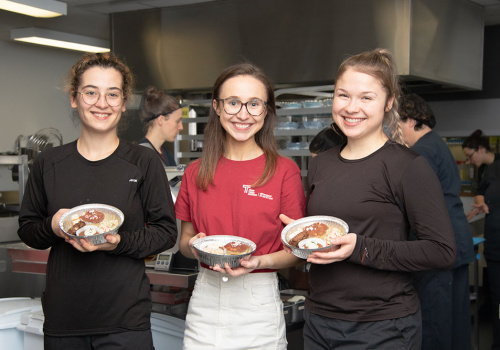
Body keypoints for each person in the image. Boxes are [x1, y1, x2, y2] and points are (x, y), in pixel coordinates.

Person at [281, 49, 456, 350]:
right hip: (319, 319)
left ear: (388, 103)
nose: (351, 108)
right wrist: (301, 237)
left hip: (382, 327)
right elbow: (325, 236)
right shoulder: (321, 163)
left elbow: (442, 251)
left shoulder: (408, 166)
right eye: (343, 95)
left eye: (366, 97)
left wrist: (360, 248)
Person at [17, 52, 178, 350]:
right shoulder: (48, 162)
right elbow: (28, 229)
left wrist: (118, 243)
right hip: (63, 320)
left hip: (126, 321)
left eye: (112, 94)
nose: (102, 103)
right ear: (74, 98)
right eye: (91, 92)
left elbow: (165, 232)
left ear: (123, 101)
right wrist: (53, 225)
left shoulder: (142, 161)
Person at [175, 62, 306, 350]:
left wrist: (260, 261)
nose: (243, 114)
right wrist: (193, 247)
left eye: (254, 104)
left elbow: (295, 251)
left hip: (257, 303)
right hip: (205, 302)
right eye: (233, 102)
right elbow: (185, 241)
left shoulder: (284, 171)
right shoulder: (195, 172)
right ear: (217, 107)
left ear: (267, 110)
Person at [398, 92, 474, 350]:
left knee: (434, 323)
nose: (398, 133)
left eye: (397, 125)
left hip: (437, 246)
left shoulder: (422, 151)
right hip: (457, 243)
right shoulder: (436, 143)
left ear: (409, 120)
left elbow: (418, 205)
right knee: (457, 320)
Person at [463, 129, 500, 349]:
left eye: (470, 155)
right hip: (495, 243)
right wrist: (480, 204)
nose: (469, 160)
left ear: (482, 149)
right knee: (496, 297)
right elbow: (480, 191)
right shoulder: (485, 171)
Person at [139, 85, 183, 167]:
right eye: (177, 121)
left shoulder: (167, 154)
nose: (181, 127)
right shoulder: (142, 155)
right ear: (161, 120)